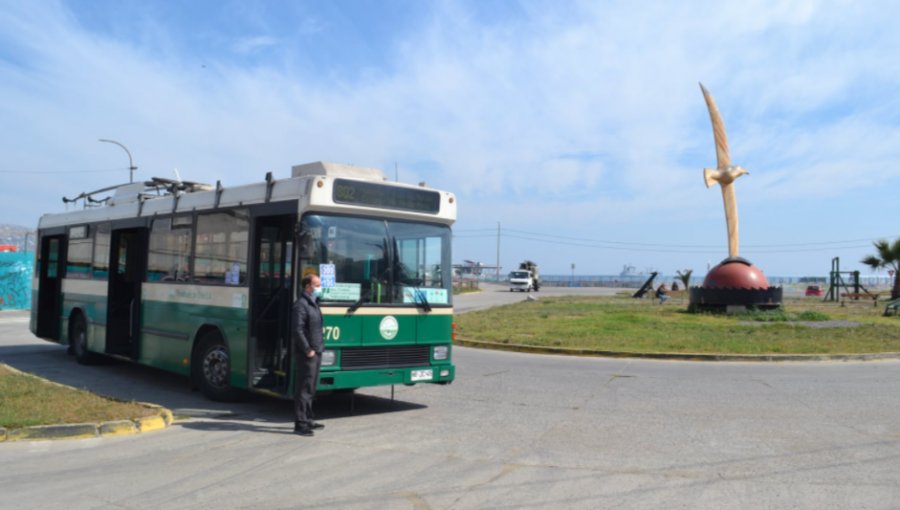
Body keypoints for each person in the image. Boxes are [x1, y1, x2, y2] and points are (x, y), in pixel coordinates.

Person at [292, 274, 325, 436]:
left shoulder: (314, 303)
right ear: (307, 287)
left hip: (317, 350)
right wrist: (307, 349)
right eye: (317, 285)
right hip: (308, 352)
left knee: (312, 387)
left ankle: (308, 418)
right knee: (304, 388)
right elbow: (297, 330)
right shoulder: (301, 305)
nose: (320, 288)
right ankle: (300, 423)